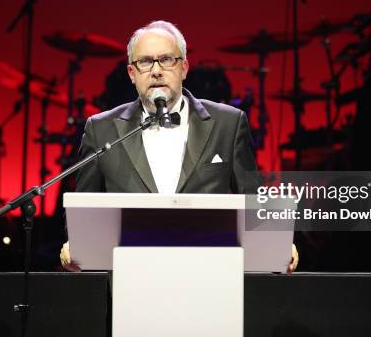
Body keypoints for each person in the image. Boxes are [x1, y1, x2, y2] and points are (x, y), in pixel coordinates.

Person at [60, 20, 298, 271]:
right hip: (129, 280)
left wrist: (276, 244)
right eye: (145, 62)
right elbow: (83, 212)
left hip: (209, 277)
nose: (156, 70)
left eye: (167, 59)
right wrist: (76, 244)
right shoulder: (101, 130)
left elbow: (254, 205)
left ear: (184, 67)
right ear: (132, 73)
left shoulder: (229, 124)